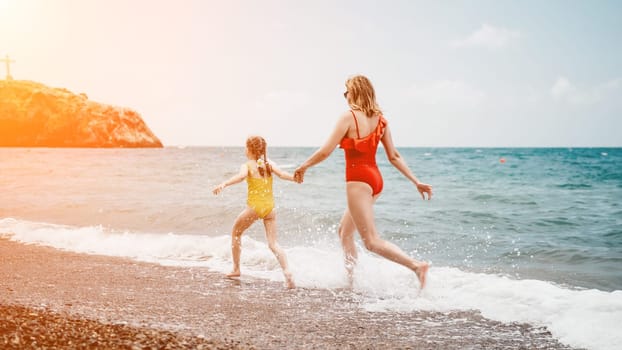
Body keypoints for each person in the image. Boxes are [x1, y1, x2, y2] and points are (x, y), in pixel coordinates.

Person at [293, 75, 432, 289]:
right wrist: (416, 181)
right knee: (344, 232)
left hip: (358, 181)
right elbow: (393, 156)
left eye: (346, 91)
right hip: (375, 180)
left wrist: (303, 166)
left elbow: (325, 151)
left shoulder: (348, 117)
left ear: (355, 92)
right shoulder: (381, 120)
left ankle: (416, 266)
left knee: (371, 242)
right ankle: (352, 281)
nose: (345, 95)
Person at [213, 136, 296, 289]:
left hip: (255, 207)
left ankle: (236, 269)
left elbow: (241, 177)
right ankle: (287, 272)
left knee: (236, 233)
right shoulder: (269, 164)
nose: (244, 150)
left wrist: (224, 183)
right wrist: (295, 178)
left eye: (245, 147)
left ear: (249, 149)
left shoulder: (247, 165)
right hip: (270, 208)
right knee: (273, 244)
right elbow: (283, 174)